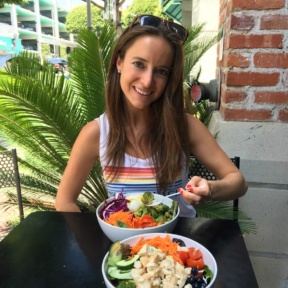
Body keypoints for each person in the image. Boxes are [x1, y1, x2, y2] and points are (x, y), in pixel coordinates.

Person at [55, 14, 248, 216]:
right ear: (119, 62)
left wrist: (211, 190)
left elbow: (238, 182)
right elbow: (64, 201)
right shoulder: (96, 133)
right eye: (139, 64)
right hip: (124, 245)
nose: (147, 81)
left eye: (161, 71)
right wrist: (90, 240)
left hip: (180, 244)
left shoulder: (185, 127)